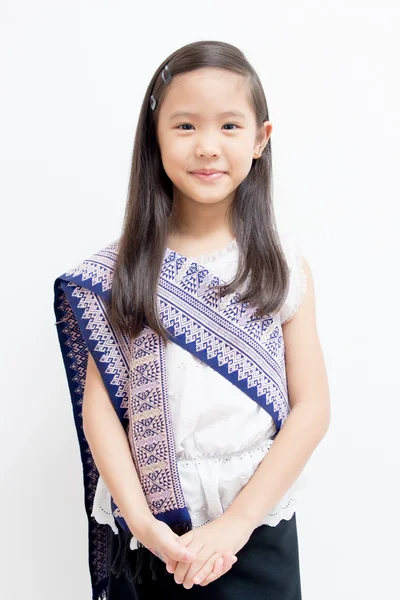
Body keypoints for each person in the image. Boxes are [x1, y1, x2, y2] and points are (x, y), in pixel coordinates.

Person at [54, 40, 330, 600]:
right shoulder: (120, 272)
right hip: (153, 535)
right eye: (185, 127)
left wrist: (236, 524)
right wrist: (143, 524)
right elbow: (101, 416)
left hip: (255, 530)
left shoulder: (280, 264)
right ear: (154, 140)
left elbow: (312, 407)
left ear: (261, 140)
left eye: (229, 126)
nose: (207, 147)